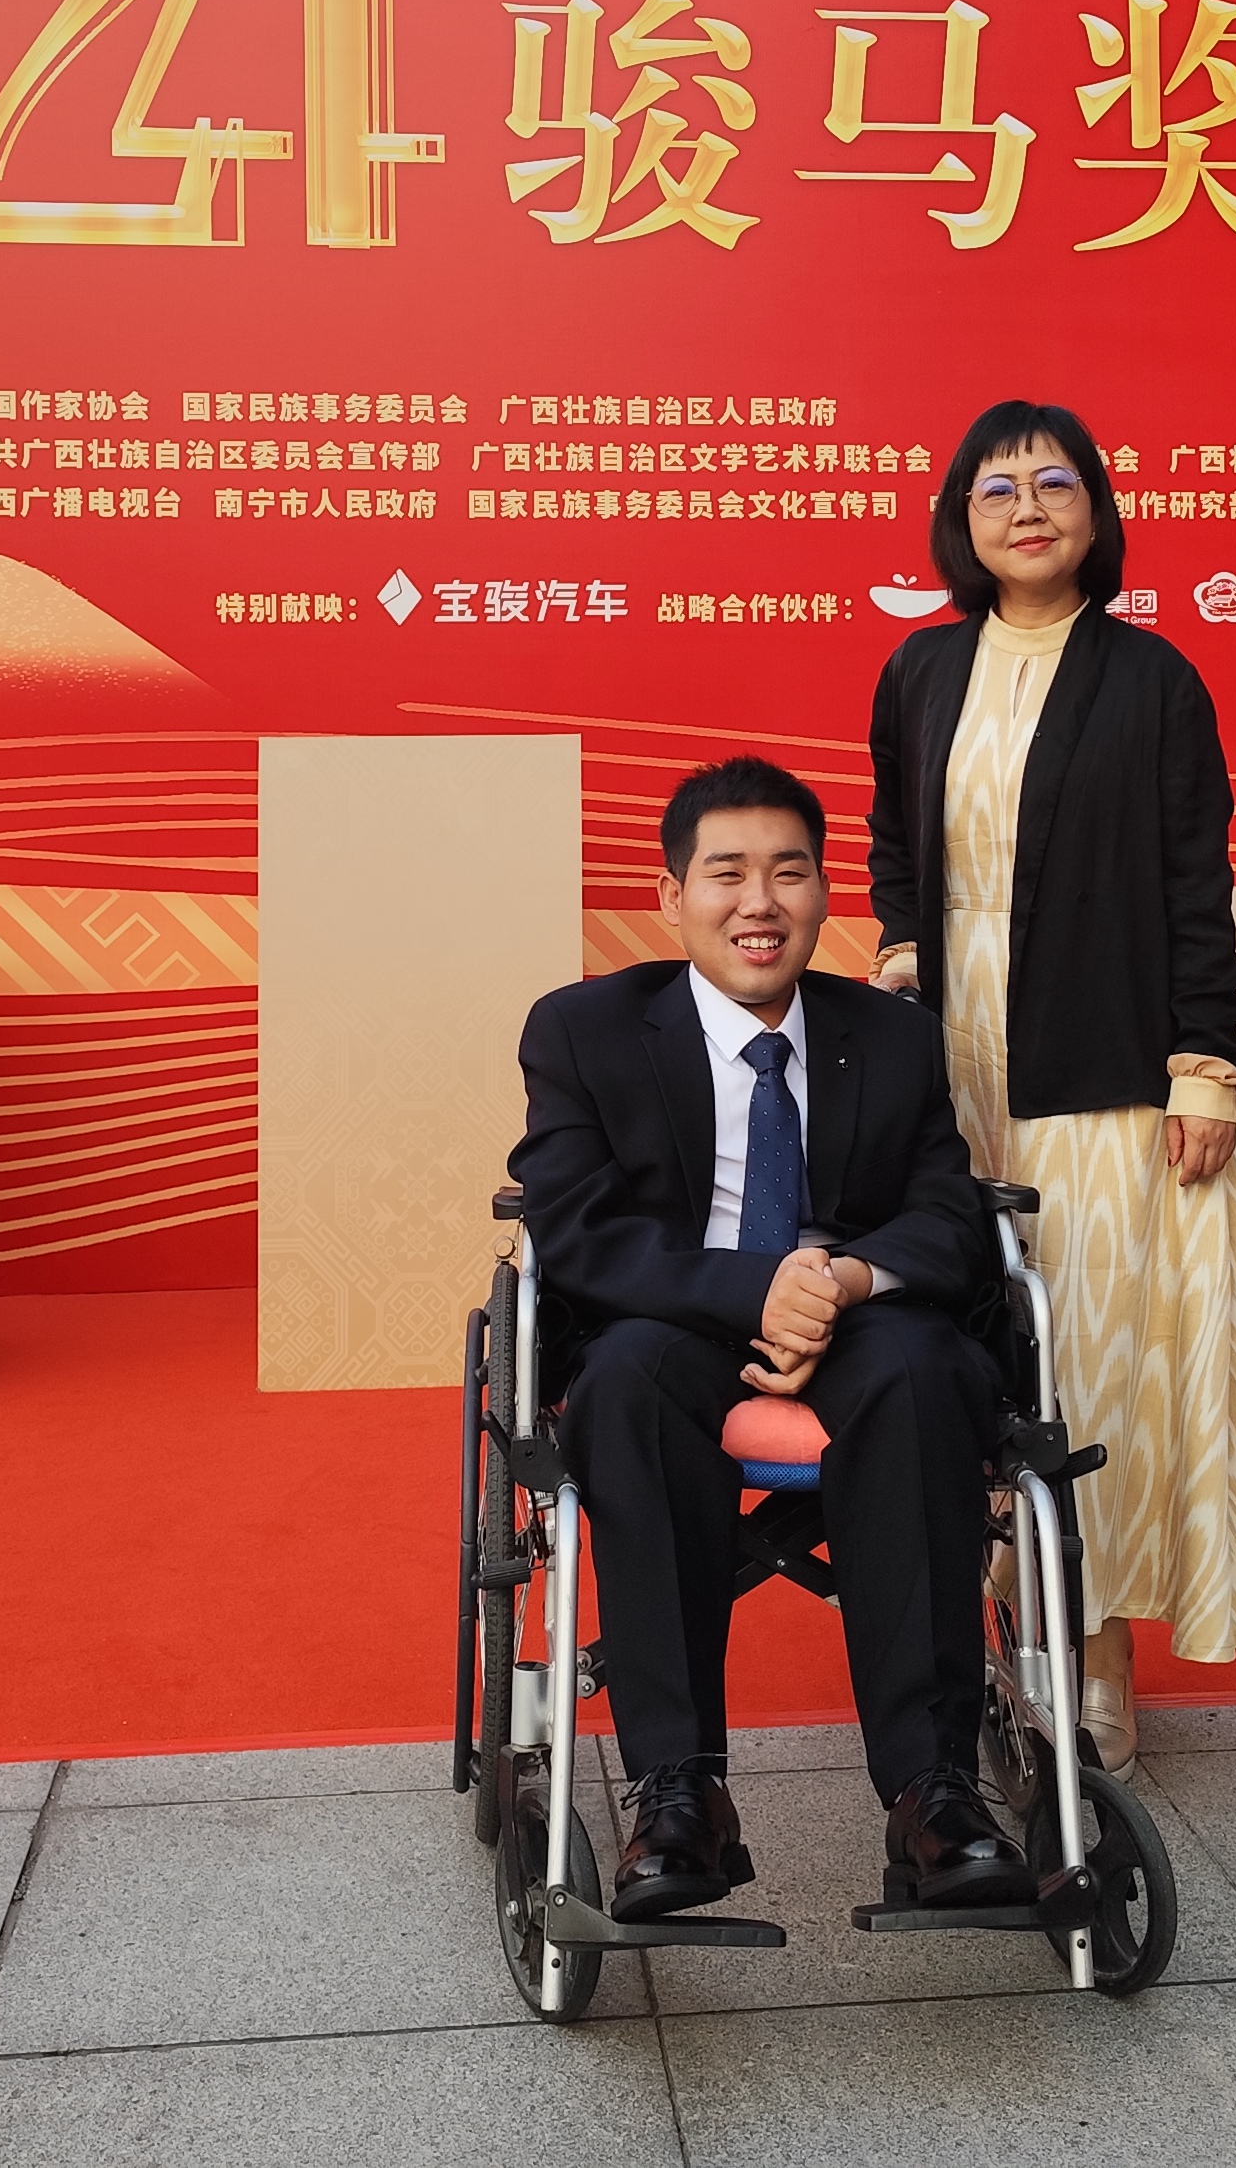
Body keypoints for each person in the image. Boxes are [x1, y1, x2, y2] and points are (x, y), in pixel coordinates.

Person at [508, 754, 1036, 1921]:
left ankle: (935, 1793)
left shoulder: (892, 1037)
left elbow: (947, 1214)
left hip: (860, 1320)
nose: (760, 902)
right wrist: (760, 1293)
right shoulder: (586, 1030)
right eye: (727, 874)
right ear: (672, 894)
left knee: (926, 1373)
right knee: (627, 1386)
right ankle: (678, 1792)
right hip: (671, 1321)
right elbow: (578, 1228)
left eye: (789, 872)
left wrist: (836, 1282)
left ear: (824, 891)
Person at [867, 400, 1236, 1770]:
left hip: (1106, 1061)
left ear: (1097, 515)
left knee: (1093, 1362)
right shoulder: (921, 670)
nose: (1028, 509)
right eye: (997, 490)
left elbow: (1197, 881)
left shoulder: (1152, 679)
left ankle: (1099, 1659)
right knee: (967, 1339)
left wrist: (1207, 1065)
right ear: (962, 521)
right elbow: (895, 839)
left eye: (1055, 484)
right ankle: (987, 1626)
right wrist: (898, 950)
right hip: (952, 1060)